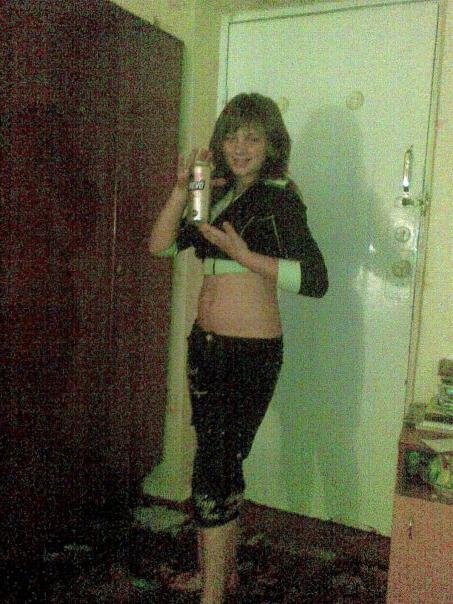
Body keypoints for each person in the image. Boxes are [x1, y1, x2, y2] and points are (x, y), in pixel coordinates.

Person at [148, 93, 328, 604]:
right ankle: (219, 577)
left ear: (272, 144)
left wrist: (244, 255)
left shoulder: (279, 198)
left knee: (214, 467)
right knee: (219, 460)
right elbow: (159, 245)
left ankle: (213, 595)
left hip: (248, 353)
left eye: (253, 137)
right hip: (206, 346)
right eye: (232, 136)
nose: (240, 147)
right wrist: (181, 191)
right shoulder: (218, 193)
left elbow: (315, 280)